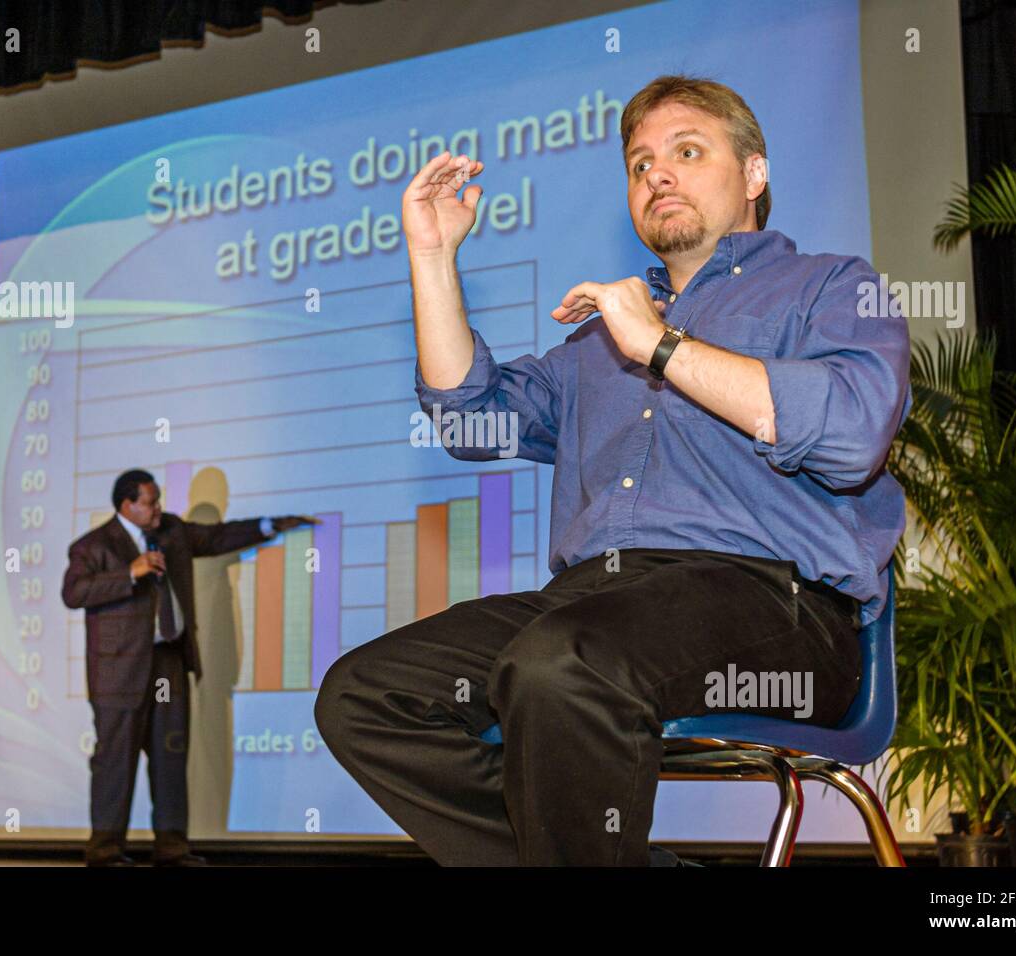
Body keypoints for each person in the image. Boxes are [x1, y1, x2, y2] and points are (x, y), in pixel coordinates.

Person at [314, 74, 912, 866]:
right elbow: (468, 418)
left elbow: (852, 433)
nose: (656, 173)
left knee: (563, 661)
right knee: (365, 696)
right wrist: (431, 255)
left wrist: (662, 346)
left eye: (686, 152)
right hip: (593, 604)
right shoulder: (596, 346)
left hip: (774, 608)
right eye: (639, 164)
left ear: (755, 175)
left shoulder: (830, 288)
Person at [62, 468, 316, 866]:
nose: (158, 508)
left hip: (167, 662)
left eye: (159, 499)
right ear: (127, 505)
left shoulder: (171, 531)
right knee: (115, 760)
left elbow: (216, 538)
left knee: (170, 755)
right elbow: (74, 593)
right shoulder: (93, 546)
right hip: (119, 673)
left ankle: (172, 848)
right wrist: (131, 572)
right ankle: (106, 850)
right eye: (150, 502)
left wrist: (271, 526)